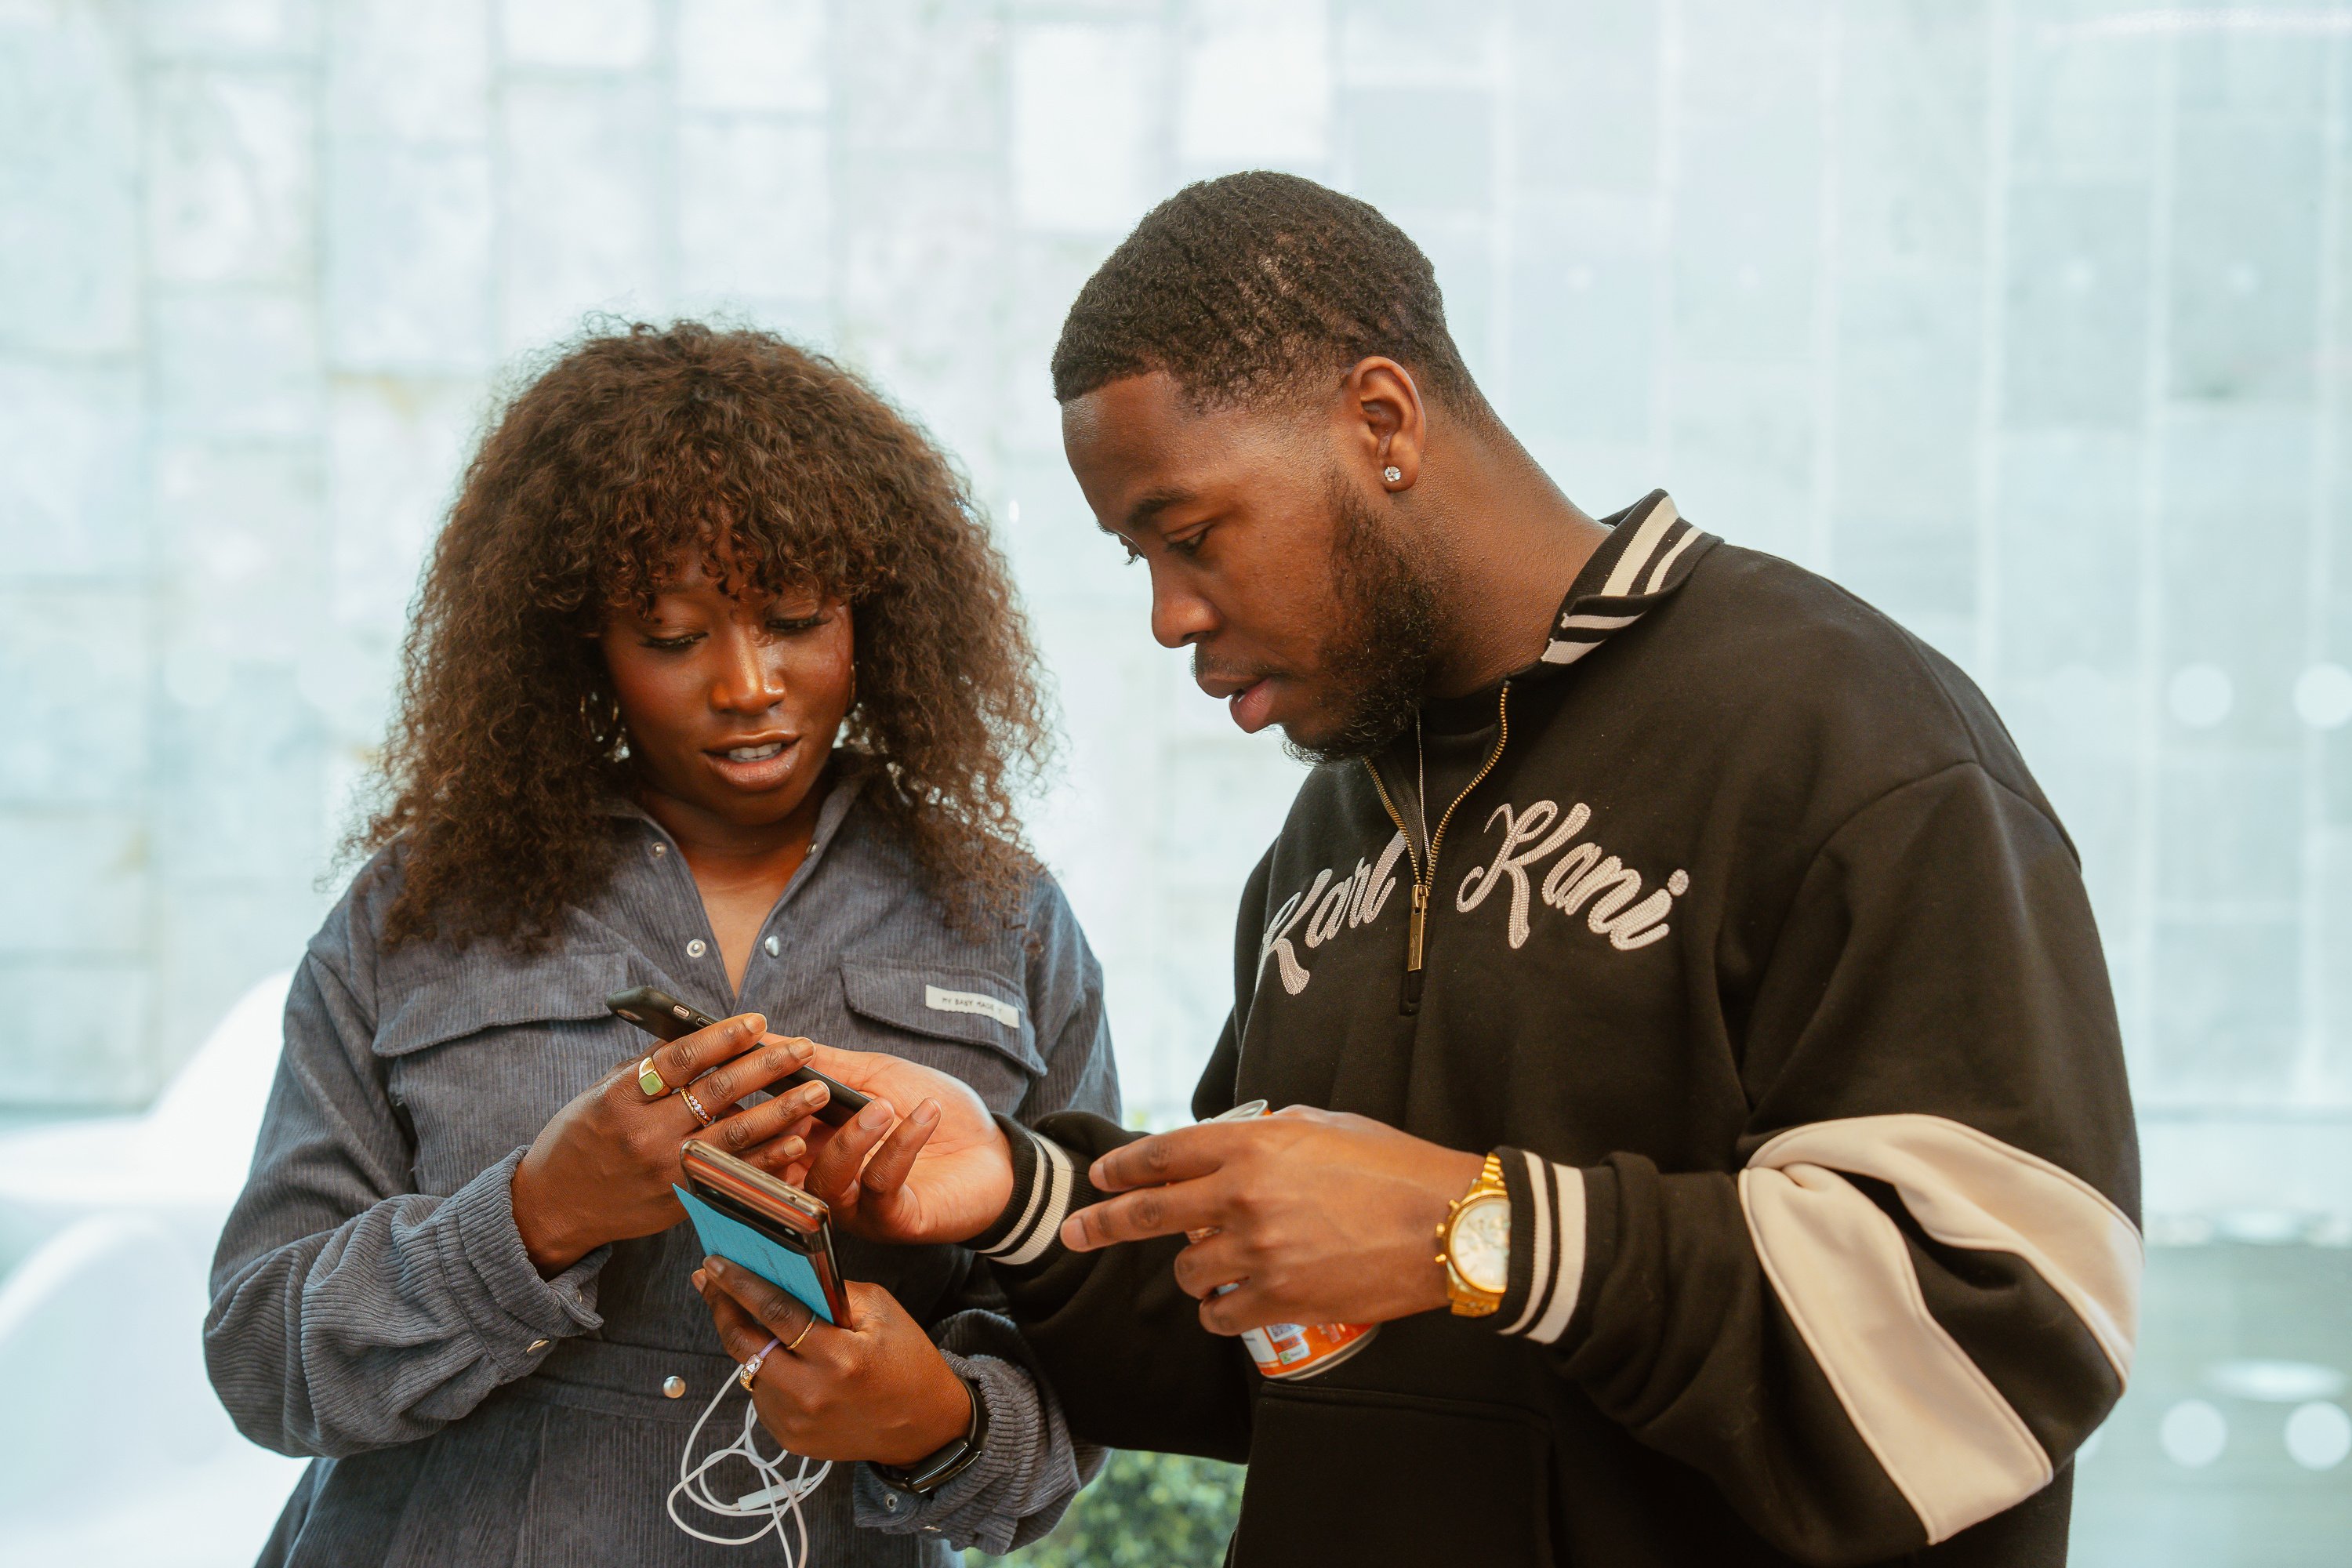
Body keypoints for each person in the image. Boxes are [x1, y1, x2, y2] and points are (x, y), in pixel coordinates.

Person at [783, 172, 2142, 1566]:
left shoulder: (1842, 733)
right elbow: (1277, 1343)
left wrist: (1475, 1229)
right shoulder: (1330, 834)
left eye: (1189, 537)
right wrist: (1014, 1188)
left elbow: (2004, 1327)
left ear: (1382, 422)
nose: (1168, 615)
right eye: (1138, 557)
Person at [204, 323, 1115, 1565]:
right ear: (582, 647)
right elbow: (264, 1355)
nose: (747, 684)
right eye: (676, 637)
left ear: (878, 617)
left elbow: (1092, 1370)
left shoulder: (1008, 922)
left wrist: (937, 1421)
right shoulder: (415, 914)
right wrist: (535, 1214)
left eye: (795, 618)